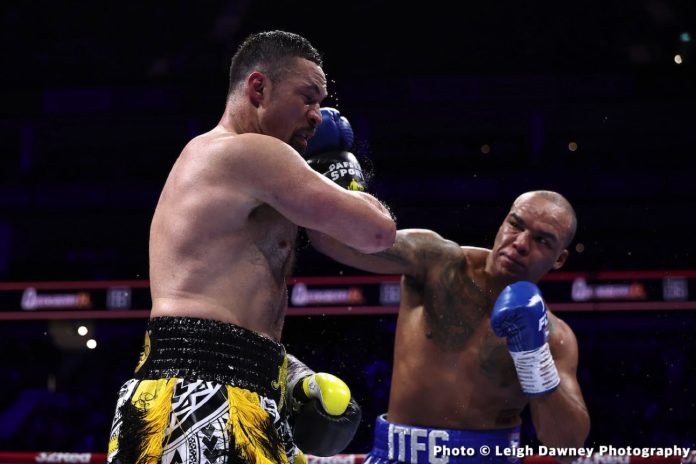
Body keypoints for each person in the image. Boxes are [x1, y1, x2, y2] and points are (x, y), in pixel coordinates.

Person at [106, 31, 396, 464]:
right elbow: (376, 233)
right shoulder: (250, 152)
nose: (318, 116)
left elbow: (219, 321)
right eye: (307, 98)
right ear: (258, 88)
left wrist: (289, 374)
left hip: (223, 387)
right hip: (202, 396)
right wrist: (345, 181)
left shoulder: (230, 164)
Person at [308, 189, 591, 463]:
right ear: (503, 222)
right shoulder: (435, 262)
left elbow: (567, 449)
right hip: (398, 455)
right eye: (515, 225)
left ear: (559, 259)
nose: (520, 243)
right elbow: (331, 241)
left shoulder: (555, 337)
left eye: (542, 240)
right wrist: (329, 187)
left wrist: (535, 357)